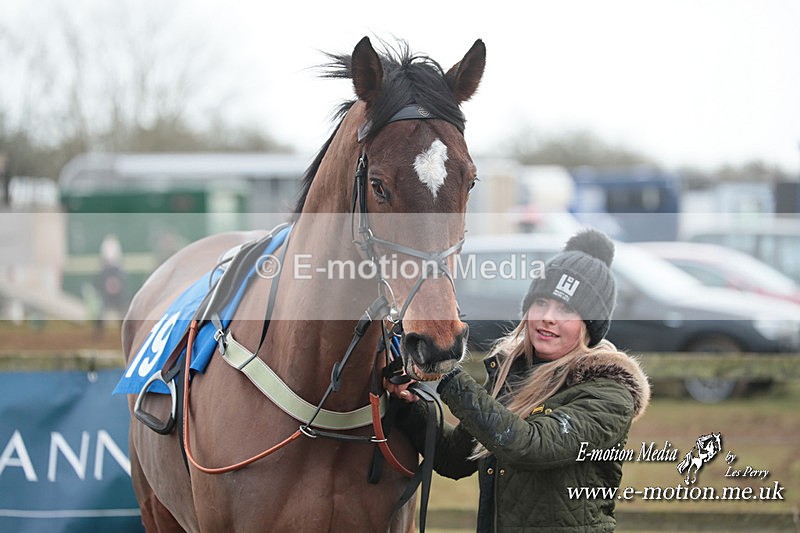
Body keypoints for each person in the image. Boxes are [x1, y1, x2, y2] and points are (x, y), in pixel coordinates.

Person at [392, 228, 651, 532]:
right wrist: (407, 405)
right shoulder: (511, 374)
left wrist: (446, 371)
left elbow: (529, 445)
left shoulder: (609, 394)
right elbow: (454, 457)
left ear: (589, 326)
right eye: (541, 303)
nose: (547, 317)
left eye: (566, 309)